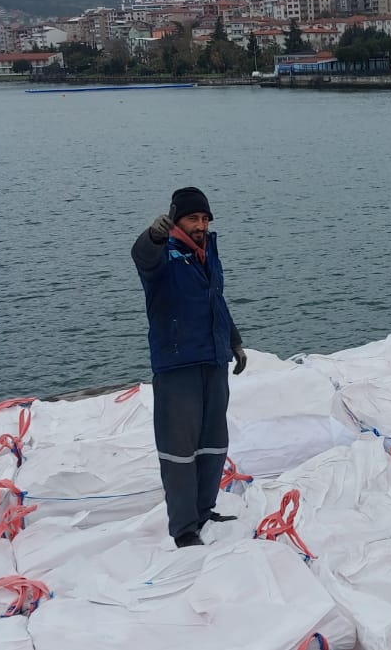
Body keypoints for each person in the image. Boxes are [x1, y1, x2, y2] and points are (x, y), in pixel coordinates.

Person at [132, 187, 248, 547]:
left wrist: (233, 341)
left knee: (213, 443)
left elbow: (216, 300)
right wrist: (153, 236)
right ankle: (183, 530)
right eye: (192, 219)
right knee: (179, 450)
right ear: (176, 220)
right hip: (177, 364)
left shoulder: (207, 250)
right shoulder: (163, 256)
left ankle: (203, 511)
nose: (200, 225)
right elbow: (142, 255)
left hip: (213, 359)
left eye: (204, 219)